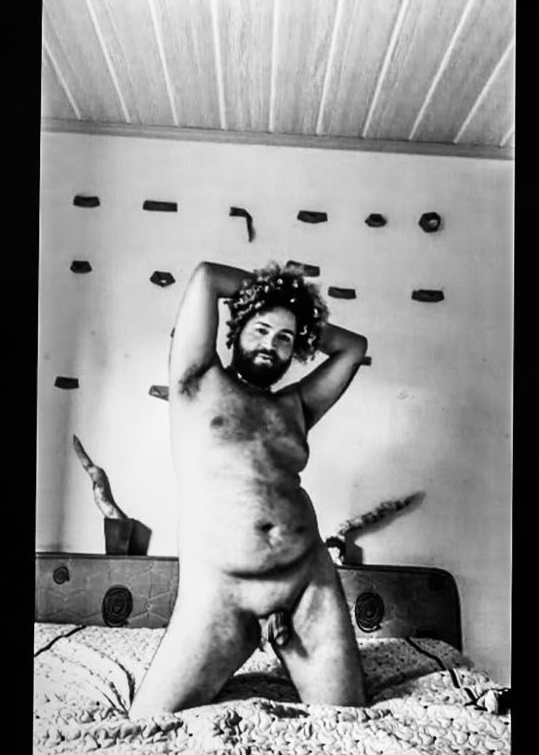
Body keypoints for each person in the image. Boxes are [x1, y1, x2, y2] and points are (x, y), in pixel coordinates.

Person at [128, 260, 369, 716]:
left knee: (348, 721)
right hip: (220, 594)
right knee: (148, 722)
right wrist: (277, 299)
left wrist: (300, 319)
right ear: (236, 328)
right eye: (260, 330)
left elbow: (354, 347)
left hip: (307, 586)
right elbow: (206, 276)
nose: (271, 345)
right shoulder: (196, 380)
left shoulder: (297, 405)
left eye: (285, 339)